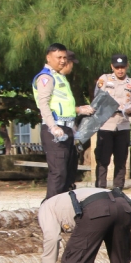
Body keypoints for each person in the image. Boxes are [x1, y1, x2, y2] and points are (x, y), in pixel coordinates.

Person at [34, 43, 94, 199]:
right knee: (58, 172)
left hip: (67, 129)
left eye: (64, 57)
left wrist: (78, 114)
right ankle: (49, 211)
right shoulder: (46, 77)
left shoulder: (60, 77)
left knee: (68, 172)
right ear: (48, 57)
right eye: (58, 57)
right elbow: (43, 104)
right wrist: (52, 126)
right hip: (55, 130)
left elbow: (65, 106)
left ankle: (63, 209)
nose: (62, 61)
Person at [93, 54, 131, 190]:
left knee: (121, 160)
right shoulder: (104, 79)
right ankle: (100, 189)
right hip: (106, 124)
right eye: (117, 67)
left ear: (127, 66)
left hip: (123, 124)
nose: (120, 70)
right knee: (103, 159)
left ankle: (118, 189)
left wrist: (129, 110)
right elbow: (97, 99)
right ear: (112, 66)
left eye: (123, 67)